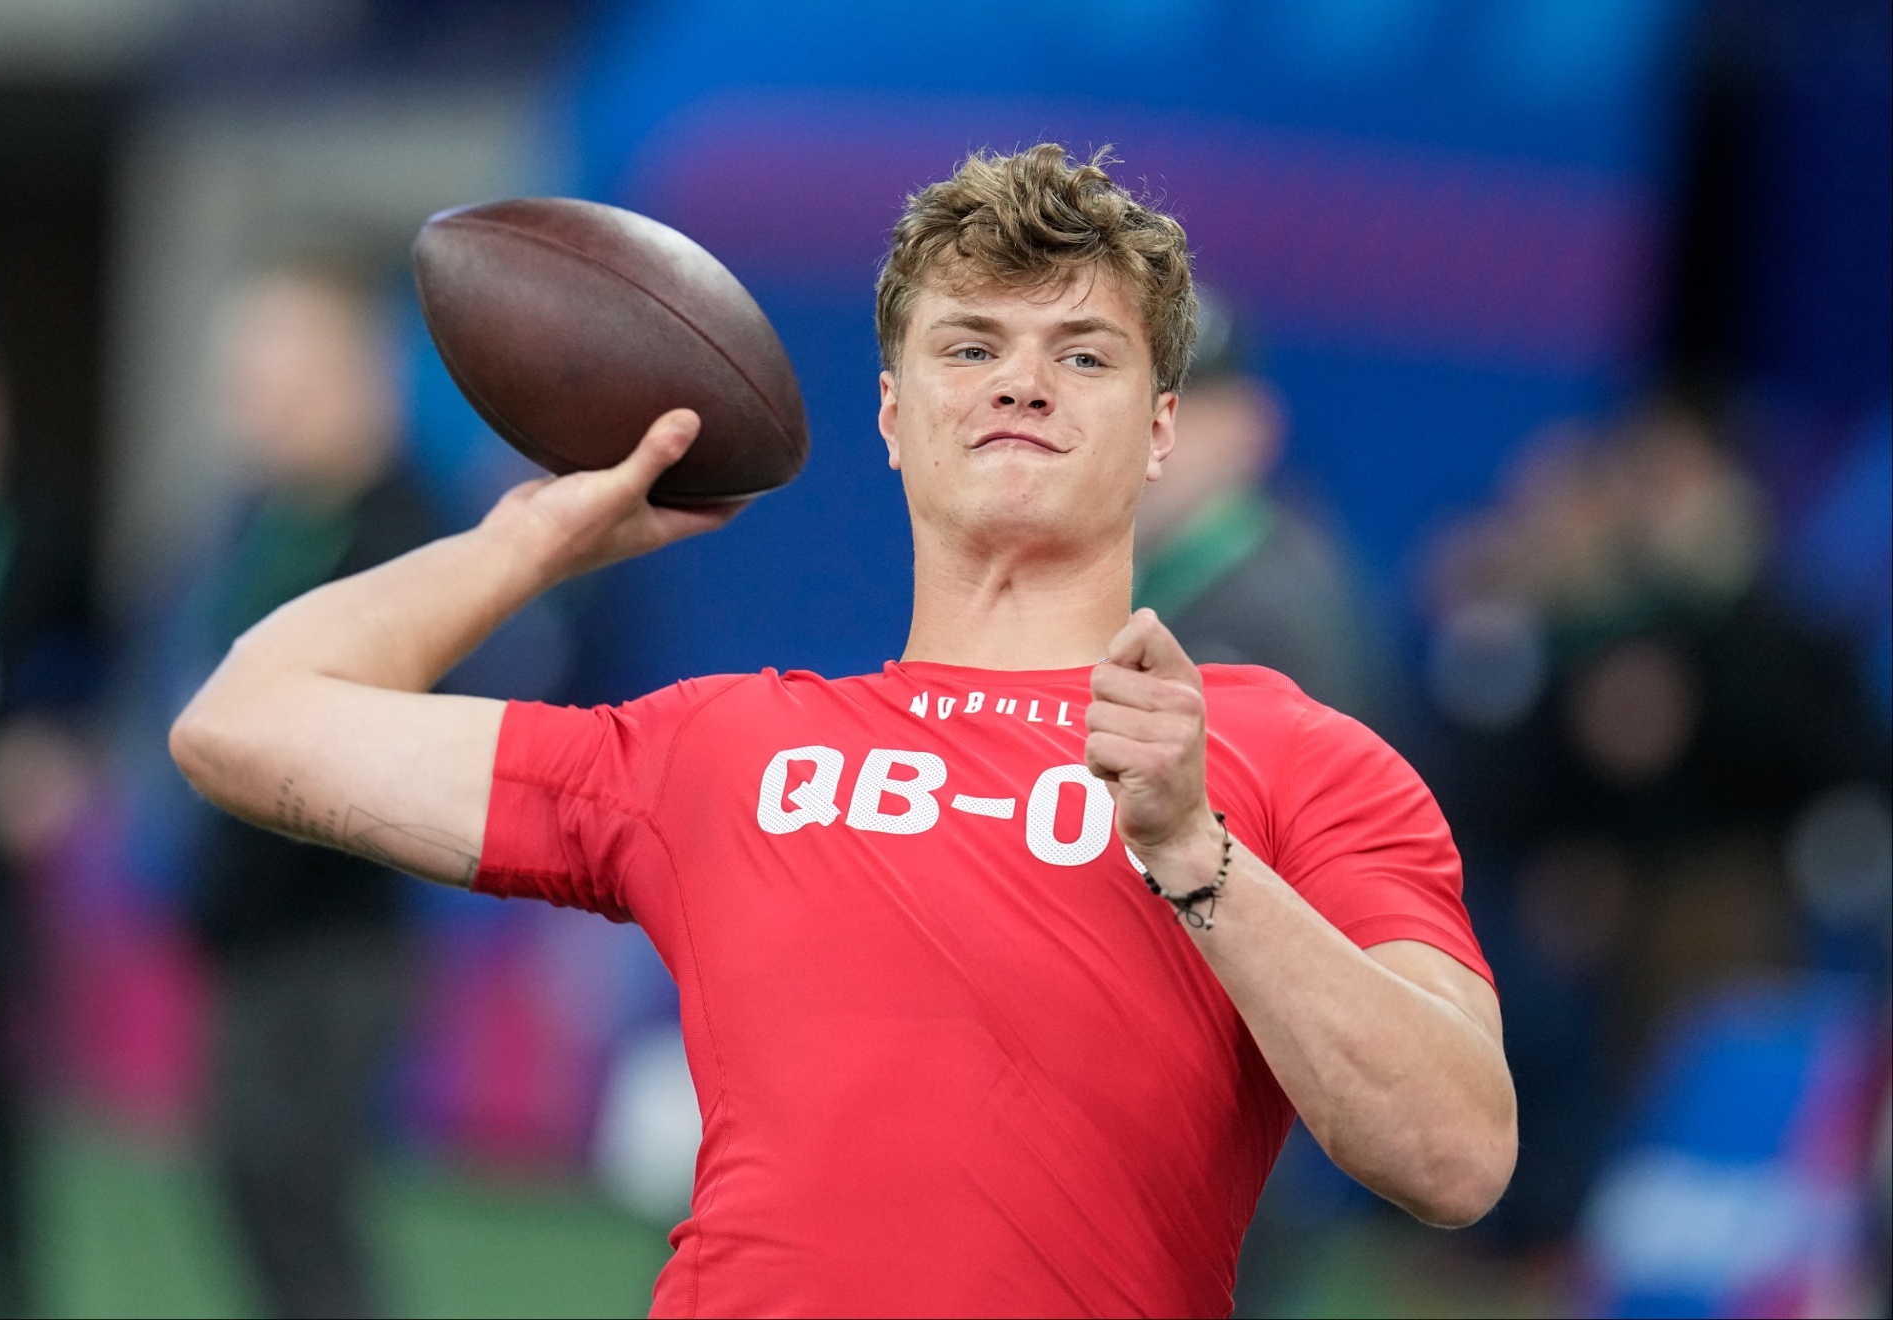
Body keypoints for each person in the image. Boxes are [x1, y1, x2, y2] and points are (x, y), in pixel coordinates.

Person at [170, 146, 1514, 1318]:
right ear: (890, 414)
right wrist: (527, 543)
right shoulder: (721, 750)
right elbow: (247, 721)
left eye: (1083, 354)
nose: (1022, 384)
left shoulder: (1290, 761)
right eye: (971, 346)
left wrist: (1197, 853)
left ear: (1162, 430)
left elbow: (1455, 1154)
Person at [181, 265, 439, 1318]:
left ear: (356, 380)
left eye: (278, 378)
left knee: (302, 1190)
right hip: (251, 922)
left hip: (338, 925)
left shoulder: (405, 533)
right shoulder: (257, 525)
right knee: (250, 1181)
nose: (254, 406)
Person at [0, 313, 95, 1319]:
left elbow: (87, 667)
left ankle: (15, 1289)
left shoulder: (44, 523)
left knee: (3, 1085)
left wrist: (54, 752)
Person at [1133, 290, 1377, 721]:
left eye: (1185, 411)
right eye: (1136, 400)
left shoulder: (1269, 614)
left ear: (1253, 429)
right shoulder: (1165, 570)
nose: (1153, 435)